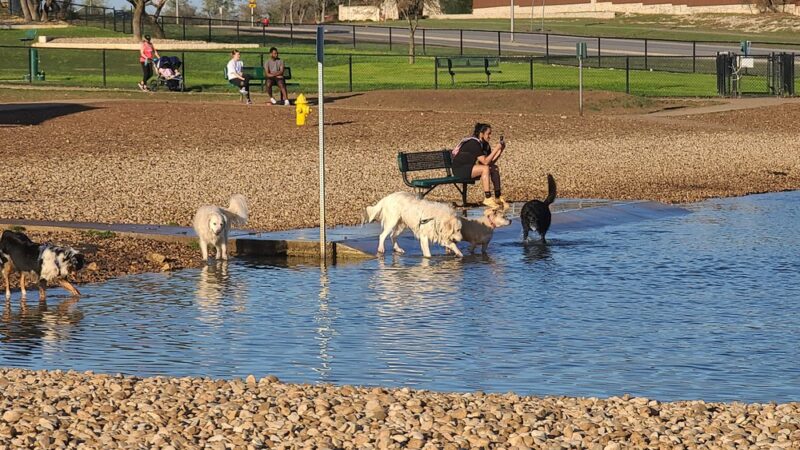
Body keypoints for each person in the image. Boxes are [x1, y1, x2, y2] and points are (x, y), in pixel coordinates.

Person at [451, 122, 507, 209]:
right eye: (488, 134)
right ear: (481, 134)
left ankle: (497, 196)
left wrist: (500, 151)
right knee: (485, 168)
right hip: (460, 169)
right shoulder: (473, 143)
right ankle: (487, 198)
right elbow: (485, 162)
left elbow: (489, 162)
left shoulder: (485, 145)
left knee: (494, 168)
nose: (489, 136)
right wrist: (496, 148)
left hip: (470, 167)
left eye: (490, 134)